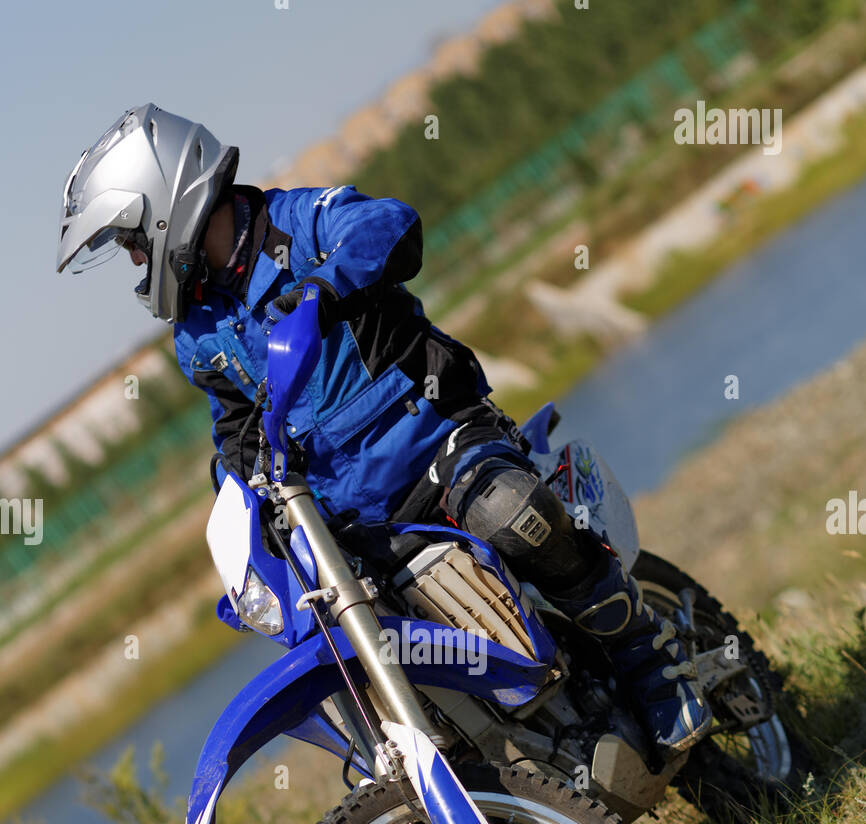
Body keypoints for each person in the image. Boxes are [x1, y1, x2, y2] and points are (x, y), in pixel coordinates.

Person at [57, 104, 711, 756]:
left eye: (131, 238)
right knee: (348, 650)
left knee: (505, 508)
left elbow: (391, 226)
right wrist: (239, 486)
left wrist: (322, 287)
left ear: (166, 205)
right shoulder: (197, 333)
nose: (136, 256)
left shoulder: (299, 221)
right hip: (351, 518)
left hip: (440, 442)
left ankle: (650, 659)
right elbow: (234, 426)